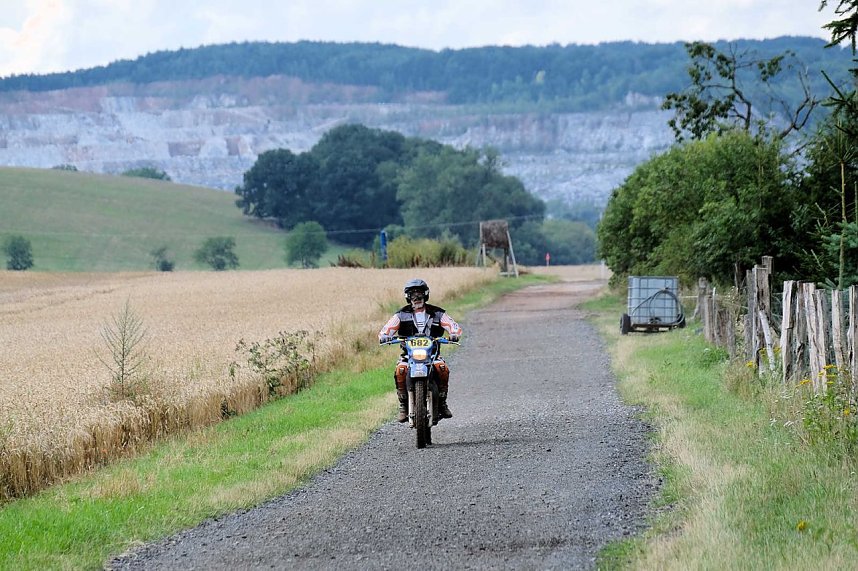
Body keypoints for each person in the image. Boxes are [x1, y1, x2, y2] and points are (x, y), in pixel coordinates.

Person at [379, 278, 462, 423]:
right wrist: (385, 337)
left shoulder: (437, 313)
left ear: (425, 295)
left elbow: (453, 326)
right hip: (409, 356)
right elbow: (385, 330)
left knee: (443, 369)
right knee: (400, 370)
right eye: (412, 295)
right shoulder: (400, 315)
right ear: (408, 297)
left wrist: (454, 334)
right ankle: (404, 405)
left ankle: (442, 403)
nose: (416, 298)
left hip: (432, 355)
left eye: (419, 294)